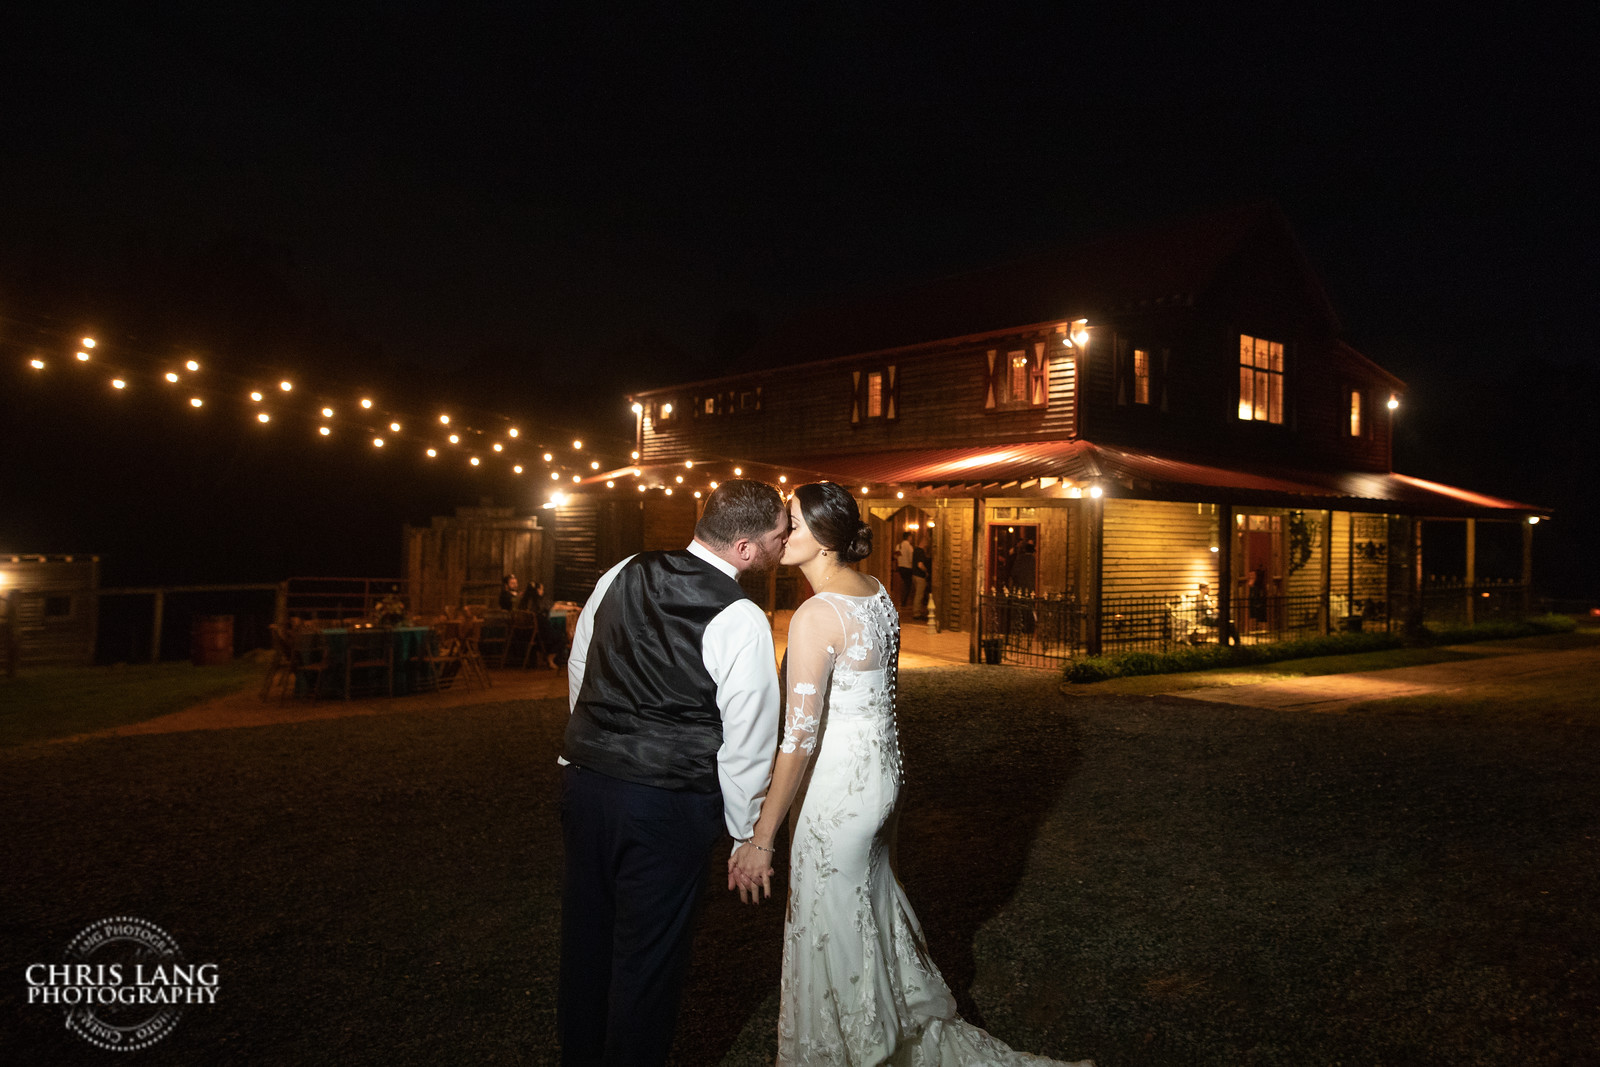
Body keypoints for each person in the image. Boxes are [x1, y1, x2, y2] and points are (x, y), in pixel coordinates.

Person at [730, 483, 1093, 1067]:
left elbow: (798, 739)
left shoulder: (816, 615)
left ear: (824, 541)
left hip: (837, 793)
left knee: (830, 925)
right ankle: (882, 1027)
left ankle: (858, 1048)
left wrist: (761, 839)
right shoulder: (876, 596)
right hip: (879, 778)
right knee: (865, 908)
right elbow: (882, 704)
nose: (782, 533)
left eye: (792, 523)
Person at [558, 478, 789, 1066]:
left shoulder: (624, 569)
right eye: (777, 537)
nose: (784, 545)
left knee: (587, 940)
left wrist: (589, 744)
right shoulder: (741, 616)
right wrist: (745, 832)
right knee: (648, 959)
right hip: (665, 803)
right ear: (743, 548)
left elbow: (582, 660)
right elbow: (749, 738)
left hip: (586, 783)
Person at [911, 534, 932, 620]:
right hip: (920, 576)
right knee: (919, 595)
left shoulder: (915, 550)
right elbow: (920, 565)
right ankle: (917, 613)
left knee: (917, 595)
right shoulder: (920, 551)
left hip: (915, 575)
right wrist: (926, 571)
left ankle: (917, 612)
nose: (927, 544)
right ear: (924, 541)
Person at [895, 531, 916, 608]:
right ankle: (904, 601)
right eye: (911, 537)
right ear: (908, 537)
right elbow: (911, 558)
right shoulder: (909, 546)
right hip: (908, 567)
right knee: (908, 585)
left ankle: (902, 600)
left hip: (901, 567)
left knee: (904, 584)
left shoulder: (899, 545)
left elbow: (896, 556)